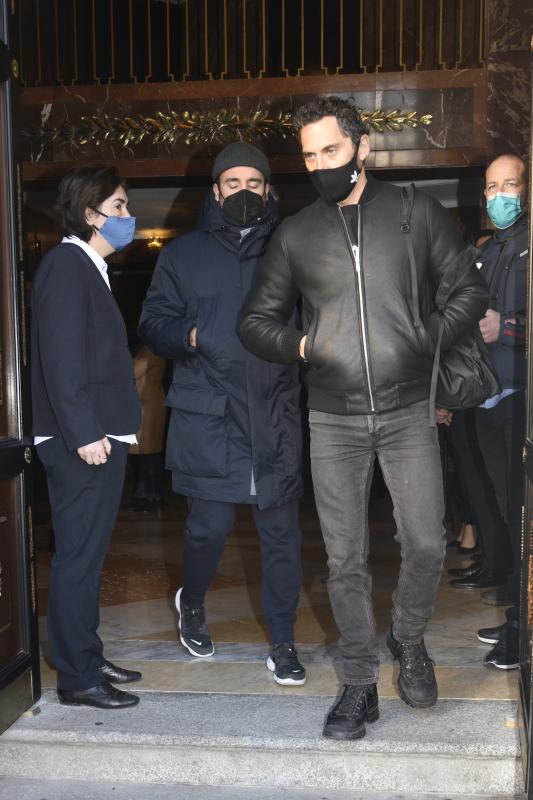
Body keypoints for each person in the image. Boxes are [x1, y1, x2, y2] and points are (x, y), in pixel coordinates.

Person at [240, 96, 488, 738]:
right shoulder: (295, 234)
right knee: (344, 559)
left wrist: (426, 334)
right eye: (310, 155)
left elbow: (469, 289)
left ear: (363, 148)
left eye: (332, 151)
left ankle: (408, 640)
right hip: (333, 419)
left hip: (408, 412)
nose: (321, 165)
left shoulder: (416, 214)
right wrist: (303, 345)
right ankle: (357, 683)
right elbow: (254, 322)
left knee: (428, 542)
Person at [139, 143, 306, 686]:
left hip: (274, 414)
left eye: (252, 182)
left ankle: (283, 641)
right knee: (207, 528)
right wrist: (190, 334)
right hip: (208, 414)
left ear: (267, 190)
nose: (242, 191)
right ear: (215, 191)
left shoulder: (291, 247)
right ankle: (192, 604)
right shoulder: (183, 254)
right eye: (231, 182)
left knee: (280, 534)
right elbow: (153, 323)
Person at [31, 165, 142, 709]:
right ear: (89, 213)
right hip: (83, 440)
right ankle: (76, 677)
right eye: (119, 207)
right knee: (77, 557)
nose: (128, 217)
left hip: (101, 434)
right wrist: (83, 432)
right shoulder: (65, 265)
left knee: (89, 556)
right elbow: (60, 358)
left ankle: (86, 653)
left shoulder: (88, 266)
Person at [473, 154, 528, 669]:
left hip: (522, 401)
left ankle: (524, 629)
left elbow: (505, 322)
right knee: (509, 514)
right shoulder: (491, 251)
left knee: (524, 516)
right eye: (492, 187)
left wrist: (506, 329)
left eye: (510, 184)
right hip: (490, 399)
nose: (500, 196)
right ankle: (519, 614)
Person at [129, 344, 167, 512]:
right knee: (145, 455)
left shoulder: (151, 349)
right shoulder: (149, 348)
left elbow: (133, 371)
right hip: (146, 404)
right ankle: (144, 495)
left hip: (147, 406)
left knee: (149, 455)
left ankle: (152, 497)